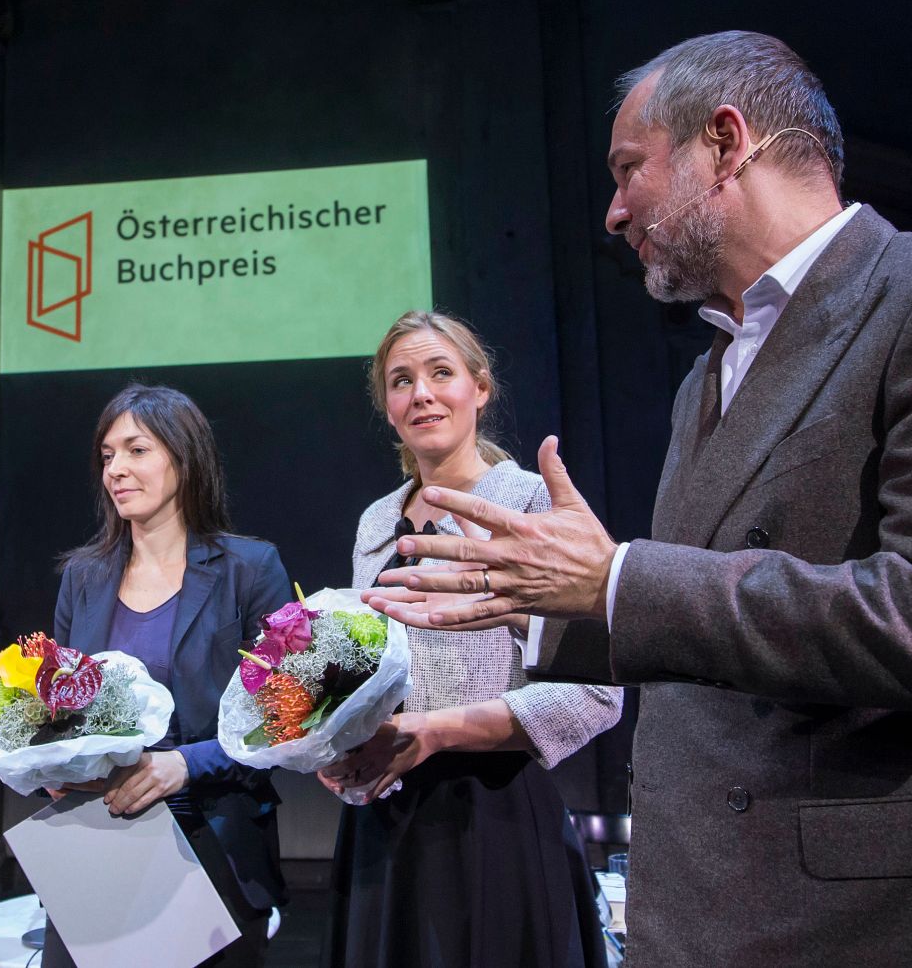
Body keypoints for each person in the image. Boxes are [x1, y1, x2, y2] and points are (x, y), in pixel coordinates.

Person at [368, 31, 912, 967]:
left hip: (878, 920)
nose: (614, 213)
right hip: (708, 908)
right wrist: (541, 605)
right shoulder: (706, 375)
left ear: (724, 140)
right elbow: (697, 638)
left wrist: (615, 583)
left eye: (630, 170)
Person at [322, 311, 620, 968]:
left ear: (480, 388)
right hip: (384, 819)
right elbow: (367, 675)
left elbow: (598, 692)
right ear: (388, 407)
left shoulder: (533, 504)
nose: (421, 394)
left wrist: (435, 731)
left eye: (440, 373)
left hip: (493, 815)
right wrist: (334, 739)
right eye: (401, 381)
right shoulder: (376, 522)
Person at [41, 383, 288, 968]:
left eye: (137, 450)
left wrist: (184, 764)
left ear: (185, 458)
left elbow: (283, 717)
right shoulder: (83, 577)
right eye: (107, 456)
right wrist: (50, 764)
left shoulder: (249, 570)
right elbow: (58, 709)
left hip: (212, 840)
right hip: (98, 843)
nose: (116, 470)